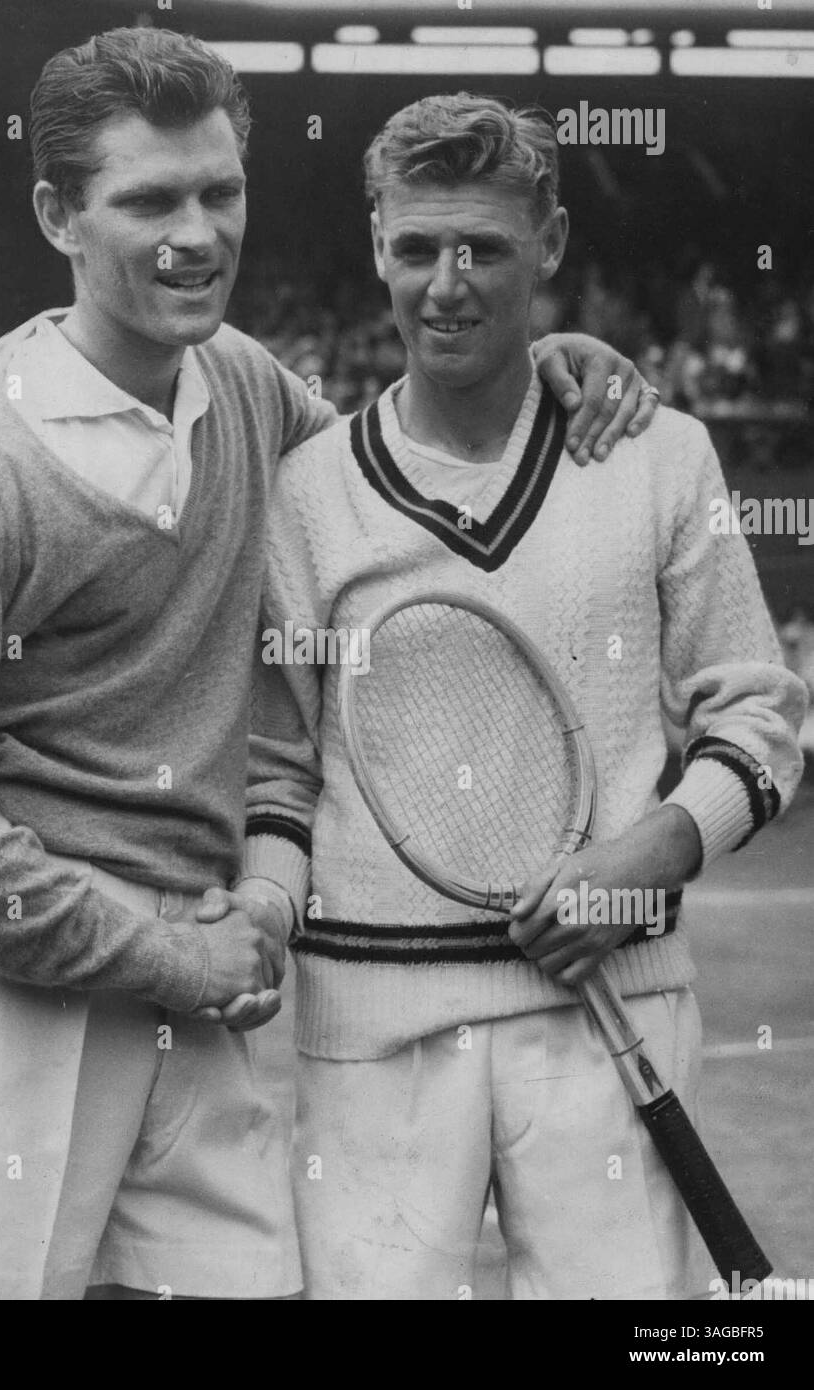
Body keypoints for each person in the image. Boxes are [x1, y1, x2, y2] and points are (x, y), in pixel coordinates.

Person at [0, 30, 657, 1302]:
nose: (197, 234)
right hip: (14, 1007)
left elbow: (397, 489)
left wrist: (525, 364)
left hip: (212, 982)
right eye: (150, 199)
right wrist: (168, 957)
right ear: (58, 212)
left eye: (220, 193)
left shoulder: (245, 383)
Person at [235, 94, 807, 1300]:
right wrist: (255, 915)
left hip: (615, 1011)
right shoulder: (307, 493)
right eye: (416, 247)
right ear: (376, 243)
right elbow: (280, 771)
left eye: (485, 247)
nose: (448, 283)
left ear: (548, 242)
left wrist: (648, 853)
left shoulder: (666, 458)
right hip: (372, 1033)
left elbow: (760, 716)